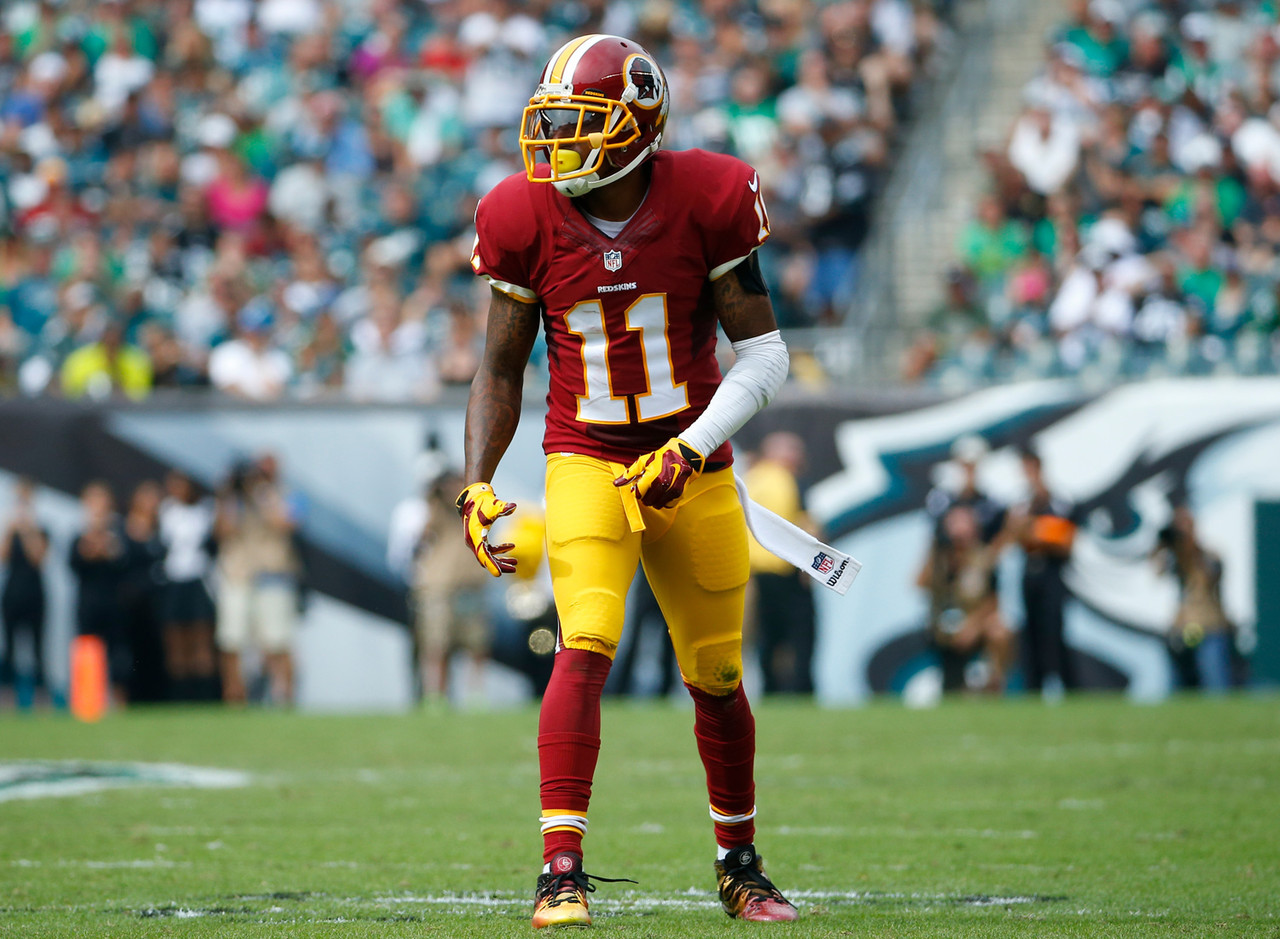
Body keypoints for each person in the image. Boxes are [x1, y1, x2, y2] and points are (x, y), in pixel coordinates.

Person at [458, 35, 797, 927]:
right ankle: (559, 870)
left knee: (716, 671)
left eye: (581, 123)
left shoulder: (710, 195)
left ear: (639, 126)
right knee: (585, 641)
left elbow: (765, 356)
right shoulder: (520, 213)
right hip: (588, 457)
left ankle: (740, 864)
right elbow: (499, 368)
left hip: (694, 463)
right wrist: (476, 483)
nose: (558, 143)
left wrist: (690, 447)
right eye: (553, 122)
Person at [214, 454, 300, 705]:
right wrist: (227, 498)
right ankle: (234, 696)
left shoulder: (283, 494)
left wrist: (262, 497)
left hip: (272, 574)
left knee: (277, 640)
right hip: (237, 574)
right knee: (232, 638)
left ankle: (285, 697)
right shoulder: (230, 500)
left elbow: (285, 524)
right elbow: (222, 532)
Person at [745, 432, 815, 695]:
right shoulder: (788, 480)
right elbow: (806, 524)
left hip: (755, 572)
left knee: (767, 636)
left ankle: (770, 688)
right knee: (801, 633)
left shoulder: (750, 478)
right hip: (787, 569)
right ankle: (800, 687)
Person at [917, 503, 1015, 693]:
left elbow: (993, 600)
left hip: (974, 623)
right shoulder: (939, 557)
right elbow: (919, 583)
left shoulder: (984, 557)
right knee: (952, 687)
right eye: (954, 523)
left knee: (999, 630)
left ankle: (994, 682)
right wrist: (933, 548)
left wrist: (973, 626)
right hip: (943, 626)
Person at [1009, 444, 1077, 696]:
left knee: (1054, 632)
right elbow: (1014, 535)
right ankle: (1034, 690)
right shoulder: (1021, 503)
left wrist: (1035, 531)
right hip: (1030, 574)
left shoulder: (1058, 500)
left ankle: (1068, 688)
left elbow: (1065, 541)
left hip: (1052, 574)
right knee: (1030, 634)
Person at [1153, 505, 1233, 693]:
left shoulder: (1208, 555)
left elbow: (1210, 575)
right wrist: (1162, 546)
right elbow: (1157, 572)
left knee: (1216, 683)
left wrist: (1190, 548)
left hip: (1210, 625)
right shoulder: (1173, 558)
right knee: (1175, 685)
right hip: (1183, 625)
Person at [158, 471, 218, 701]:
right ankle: (181, 697)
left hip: (197, 581)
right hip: (174, 582)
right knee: (176, 641)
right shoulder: (166, 511)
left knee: (201, 640)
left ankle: (204, 697)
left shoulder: (204, 511)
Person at [68, 481, 130, 706]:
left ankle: (121, 702)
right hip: (88, 603)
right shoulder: (79, 535)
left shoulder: (120, 532)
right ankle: (88, 702)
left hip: (115, 603)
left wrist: (108, 547)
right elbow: (75, 564)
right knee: (88, 650)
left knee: (119, 654)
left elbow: (123, 562)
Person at [1, 478, 49, 709]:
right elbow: (3, 557)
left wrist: (29, 529)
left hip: (35, 594)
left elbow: (37, 558)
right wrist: (12, 529)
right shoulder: (10, 528)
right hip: (12, 594)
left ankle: (41, 699)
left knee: (38, 647)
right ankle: (7, 698)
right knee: (10, 648)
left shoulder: (41, 529)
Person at [120, 480, 168, 703]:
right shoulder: (123, 527)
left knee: (156, 650)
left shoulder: (162, 528)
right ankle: (133, 697)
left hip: (157, 600)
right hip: (131, 601)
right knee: (132, 651)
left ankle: (157, 697)